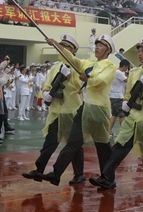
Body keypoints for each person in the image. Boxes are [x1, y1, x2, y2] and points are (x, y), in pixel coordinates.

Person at [89, 36, 143, 197]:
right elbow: (128, 94)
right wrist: (126, 102)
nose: (140, 53)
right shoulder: (134, 72)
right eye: (139, 50)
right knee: (119, 146)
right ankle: (106, 177)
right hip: (132, 118)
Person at [39, 34, 117, 186]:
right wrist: (57, 45)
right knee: (73, 142)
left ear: (107, 50)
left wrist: (88, 79)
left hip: (99, 108)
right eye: (96, 45)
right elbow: (72, 60)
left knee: (102, 144)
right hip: (85, 107)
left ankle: (108, 178)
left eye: (100, 45)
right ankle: (56, 173)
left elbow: (101, 81)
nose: (97, 48)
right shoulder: (89, 63)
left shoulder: (109, 66)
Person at [22, 35, 87, 184]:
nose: (61, 49)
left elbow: (79, 87)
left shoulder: (78, 66)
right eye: (60, 45)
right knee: (50, 142)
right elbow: (47, 85)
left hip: (71, 111)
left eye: (65, 47)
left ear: (73, 51)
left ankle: (79, 174)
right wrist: (45, 93)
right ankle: (39, 170)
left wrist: (69, 75)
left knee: (74, 145)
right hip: (56, 112)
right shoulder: (55, 67)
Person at [109, 59, 131, 133]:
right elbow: (128, 80)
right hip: (117, 96)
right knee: (122, 114)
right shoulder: (119, 72)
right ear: (124, 66)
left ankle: (109, 131)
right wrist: (130, 73)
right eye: (127, 67)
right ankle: (123, 131)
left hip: (113, 95)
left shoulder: (116, 71)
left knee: (114, 114)